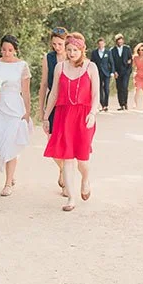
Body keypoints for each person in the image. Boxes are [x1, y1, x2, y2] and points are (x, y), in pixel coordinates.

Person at [43, 32, 100, 212]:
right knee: (66, 157)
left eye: (75, 49)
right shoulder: (60, 67)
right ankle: (71, 197)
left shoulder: (91, 67)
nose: (71, 52)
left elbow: (96, 94)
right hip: (63, 115)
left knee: (82, 159)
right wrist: (46, 116)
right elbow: (53, 93)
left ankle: (85, 179)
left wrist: (93, 113)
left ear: (82, 50)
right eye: (68, 49)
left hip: (84, 116)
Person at [0, 35, 32, 197]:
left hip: (15, 109)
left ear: (15, 50)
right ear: (1, 49)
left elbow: (26, 92)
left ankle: (7, 183)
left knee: (10, 144)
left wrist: (27, 112)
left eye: (10, 50)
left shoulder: (22, 66)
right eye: (4, 49)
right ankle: (10, 175)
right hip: (0, 108)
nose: (7, 53)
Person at [39, 27, 69, 193]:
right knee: (52, 143)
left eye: (60, 44)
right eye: (54, 44)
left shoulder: (72, 56)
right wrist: (41, 109)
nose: (57, 47)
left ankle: (67, 180)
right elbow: (44, 84)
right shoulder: (48, 58)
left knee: (66, 142)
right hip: (52, 104)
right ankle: (63, 168)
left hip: (68, 105)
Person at [90, 37, 115, 112]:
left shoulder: (108, 52)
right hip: (97, 73)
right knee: (99, 89)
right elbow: (92, 63)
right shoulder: (94, 52)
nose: (101, 45)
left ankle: (106, 104)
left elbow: (111, 62)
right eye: (99, 44)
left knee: (106, 89)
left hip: (106, 73)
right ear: (98, 44)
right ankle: (102, 105)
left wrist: (112, 72)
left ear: (104, 44)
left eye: (102, 44)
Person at [113, 34, 133, 110]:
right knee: (119, 88)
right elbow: (112, 62)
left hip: (126, 71)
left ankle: (125, 103)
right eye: (119, 41)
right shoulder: (113, 50)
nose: (120, 42)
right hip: (117, 72)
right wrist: (114, 71)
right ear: (116, 42)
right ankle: (121, 104)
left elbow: (130, 60)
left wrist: (128, 71)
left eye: (121, 41)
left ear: (123, 41)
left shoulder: (127, 49)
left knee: (125, 87)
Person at [132, 43, 143, 110]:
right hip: (138, 75)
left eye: (142, 50)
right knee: (137, 89)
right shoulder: (135, 57)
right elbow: (132, 66)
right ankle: (135, 103)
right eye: (139, 50)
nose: (140, 51)